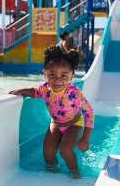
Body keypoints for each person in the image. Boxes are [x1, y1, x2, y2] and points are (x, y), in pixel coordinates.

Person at [9, 46, 94, 178]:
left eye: (64, 75)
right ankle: (52, 170)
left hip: (74, 124)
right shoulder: (45, 88)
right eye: (52, 75)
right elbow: (35, 92)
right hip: (56, 123)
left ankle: (75, 172)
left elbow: (89, 112)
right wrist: (22, 91)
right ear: (45, 74)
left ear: (72, 75)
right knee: (48, 151)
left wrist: (85, 138)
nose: (57, 79)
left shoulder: (74, 94)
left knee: (65, 150)